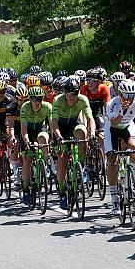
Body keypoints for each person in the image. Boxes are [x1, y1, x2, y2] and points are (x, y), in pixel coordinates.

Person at [51, 78, 95, 209]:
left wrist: (92, 133)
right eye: (69, 95)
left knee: (83, 134)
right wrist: (58, 136)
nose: (72, 98)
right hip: (60, 128)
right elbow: (54, 122)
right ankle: (62, 191)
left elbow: (90, 118)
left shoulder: (82, 99)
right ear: (65, 93)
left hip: (74, 124)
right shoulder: (58, 100)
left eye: (75, 94)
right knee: (62, 158)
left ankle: (81, 166)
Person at [105, 79, 135, 214]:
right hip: (112, 129)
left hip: (128, 127)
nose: (129, 99)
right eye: (126, 95)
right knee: (112, 161)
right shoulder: (112, 103)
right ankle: (114, 199)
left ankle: (133, 173)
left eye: (132, 95)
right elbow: (113, 123)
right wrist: (123, 110)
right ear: (119, 94)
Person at [20, 86, 53, 205]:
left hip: (40, 128)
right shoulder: (25, 107)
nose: (37, 102)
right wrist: (27, 141)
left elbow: (52, 125)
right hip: (28, 130)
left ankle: (44, 166)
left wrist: (54, 138)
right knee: (27, 159)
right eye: (35, 99)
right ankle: (25, 189)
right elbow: (23, 129)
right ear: (30, 100)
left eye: (40, 99)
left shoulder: (47, 106)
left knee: (44, 140)